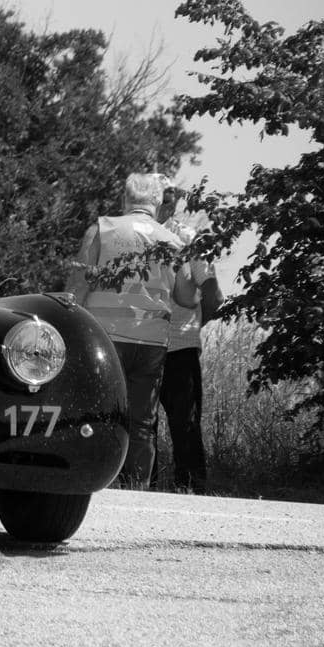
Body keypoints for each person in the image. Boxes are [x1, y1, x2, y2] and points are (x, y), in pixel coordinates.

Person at [65, 172, 194, 489]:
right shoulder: (172, 241)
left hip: (105, 339)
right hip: (151, 343)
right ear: (157, 202)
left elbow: (78, 284)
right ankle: (137, 490)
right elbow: (187, 297)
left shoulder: (103, 229)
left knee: (98, 413)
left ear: (125, 199)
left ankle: (93, 484)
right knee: (141, 422)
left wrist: (71, 326)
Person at [158, 203, 224, 493]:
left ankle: (185, 485)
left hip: (162, 345)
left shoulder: (187, 239)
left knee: (173, 421)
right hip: (161, 345)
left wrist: (193, 327)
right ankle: (181, 484)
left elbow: (214, 296)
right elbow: (214, 298)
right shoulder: (145, 236)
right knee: (177, 420)